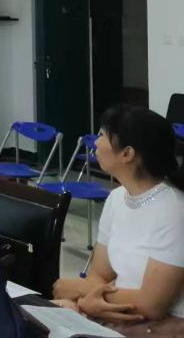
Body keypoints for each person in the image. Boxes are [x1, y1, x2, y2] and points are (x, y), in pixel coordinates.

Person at [52, 105, 184, 324]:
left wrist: (84, 293)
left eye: (102, 135)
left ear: (127, 154)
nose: (96, 142)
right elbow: (100, 275)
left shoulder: (174, 210)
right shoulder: (116, 198)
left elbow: (152, 304)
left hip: (164, 325)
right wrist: (90, 299)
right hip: (123, 314)